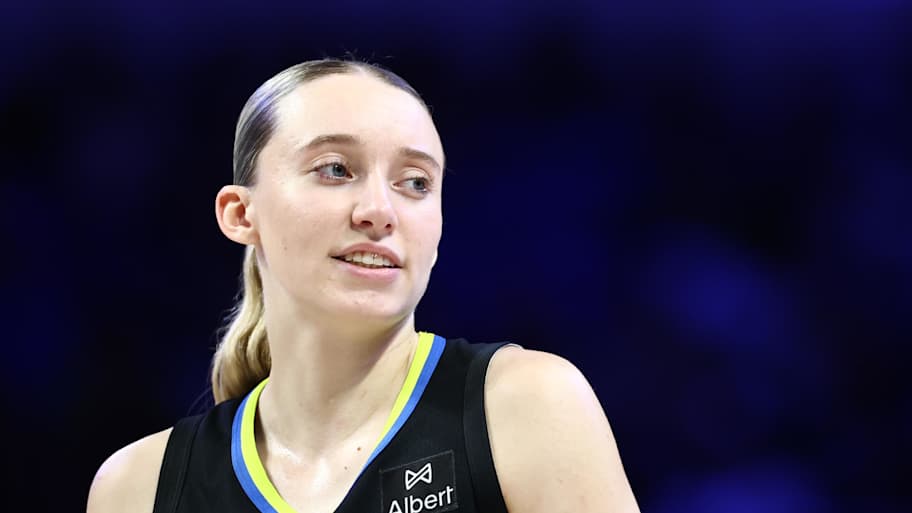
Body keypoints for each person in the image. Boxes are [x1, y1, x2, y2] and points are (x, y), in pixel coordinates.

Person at [86, 58, 641, 513]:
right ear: (240, 214)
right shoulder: (138, 489)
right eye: (335, 169)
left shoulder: (526, 407)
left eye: (415, 182)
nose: (379, 210)